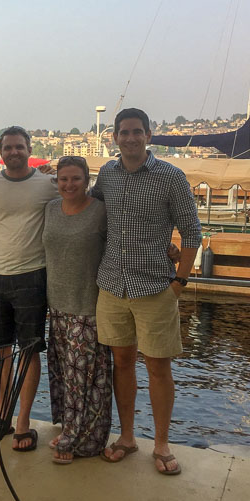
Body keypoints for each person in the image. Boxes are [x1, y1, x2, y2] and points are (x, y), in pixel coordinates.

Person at [92, 108, 201, 475]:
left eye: (137, 132)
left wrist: (179, 282)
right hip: (112, 285)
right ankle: (126, 437)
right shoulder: (106, 174)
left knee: (158, 368)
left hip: (155, 287)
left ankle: (162, 443)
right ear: (115, 138)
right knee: (121, 364)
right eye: (124, 132)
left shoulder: (171, 177)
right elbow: (90, 212)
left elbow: (192, 232)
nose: (130, 138)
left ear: (149, 136)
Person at [0, 126, 57, 452]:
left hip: (32, 277)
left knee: (29, 350)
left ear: (28, 148)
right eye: (8, 148)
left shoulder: (48, 185)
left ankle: (23, 422)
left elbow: (76, 205)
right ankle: (1, 419)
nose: (14, 152)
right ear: (0, 152)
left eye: (19, 147)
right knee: (0, 351)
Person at [43, 156, 112, 464]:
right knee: (64, 374)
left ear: (87, 181)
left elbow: (125, 241)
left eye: (76, 179)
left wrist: (167, 248)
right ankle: (72, 429)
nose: (69, 185)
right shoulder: (50, 209)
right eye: (63, 179)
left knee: (84, 378)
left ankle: (78, 439)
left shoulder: (100, 211)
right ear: (56, 182)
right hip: (56, 305)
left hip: (87, 305)